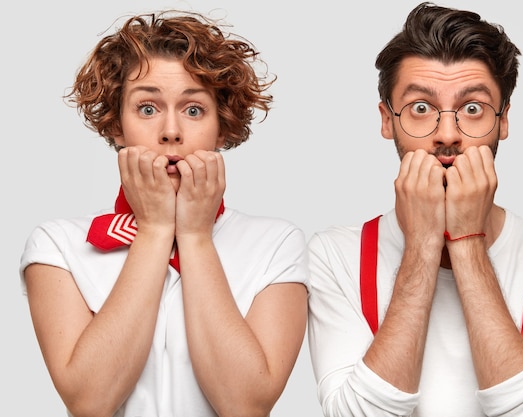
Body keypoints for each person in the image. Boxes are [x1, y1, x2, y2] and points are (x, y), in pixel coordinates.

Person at [307, 3, 523, 416]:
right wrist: (423, 245)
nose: (447, 135)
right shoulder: (334, 256)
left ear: (503, 121)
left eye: (472, 109)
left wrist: (466, 241)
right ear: (387, 121)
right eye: (421, 108)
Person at [20, 10, 308, 417]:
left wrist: (194, 237)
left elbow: (245, 405)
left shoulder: (277, 244)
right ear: (116, 125)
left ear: (221, 128)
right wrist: (155, 229)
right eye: (147, 108)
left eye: (193, 110)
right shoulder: (57, 245)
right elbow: (90, 402)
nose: (171, 131)